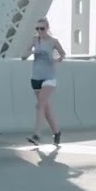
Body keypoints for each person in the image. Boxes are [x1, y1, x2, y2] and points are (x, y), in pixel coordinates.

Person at [26, 17, 66, 147]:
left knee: (40, 105)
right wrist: (31, 52)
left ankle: (37, 135)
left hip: (49, 77)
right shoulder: (34, 41)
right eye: (37, 29)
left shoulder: (53, 41)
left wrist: (57, 60)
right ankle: (57, 131)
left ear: (47, 28)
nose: (39, 31)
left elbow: (62, 53)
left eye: (42, 28)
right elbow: (24, 55)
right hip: (36, 77)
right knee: (45, 107)